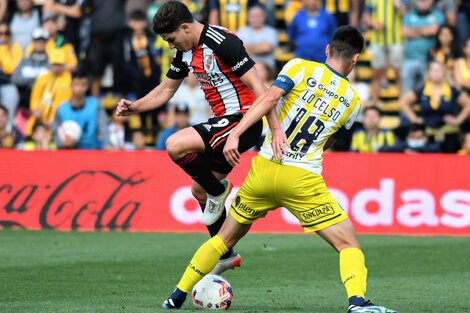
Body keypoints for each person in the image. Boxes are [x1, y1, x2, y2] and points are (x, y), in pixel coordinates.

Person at [161, 26, 397, 313]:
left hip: (264, 169)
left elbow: (268, 98)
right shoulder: (353, 101)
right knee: (348, 244)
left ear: (327, 49)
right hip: (301, 178)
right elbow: (328, 142)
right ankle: (358, 303)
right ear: (356, 59)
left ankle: (176, 297)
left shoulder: (299, 67)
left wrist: (236, 134)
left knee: (223, 239)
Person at [116, 1, 281, 275]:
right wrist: (135, 106)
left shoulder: (223, 41)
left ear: (184, 28)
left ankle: (219, 191)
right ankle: (226, 252)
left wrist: (275, 130)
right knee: (199, 191)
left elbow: (261, 90)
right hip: (223, 125)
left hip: (242, 120)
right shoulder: (185, 52)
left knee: (175, 144)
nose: (171, 45)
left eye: (171, 39)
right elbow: (165, 90)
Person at [399, 61, 470, 152]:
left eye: (438, 70)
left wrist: (458, 120)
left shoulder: (452, 90)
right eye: (432, 70)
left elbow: (468, 104)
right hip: (428, 134)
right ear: (429, 72)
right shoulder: (423, 89)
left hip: (449, 134)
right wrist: (414, 118)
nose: (435, 73)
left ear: (444, 72)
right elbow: (403, 102)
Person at [362, 0, 405, 106]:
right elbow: (366, 16)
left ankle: (402, 101)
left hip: (396, 40)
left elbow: (405, 14)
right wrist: (373, 24)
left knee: (398, 73)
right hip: (377, 40)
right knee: (376, 73)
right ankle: (374, 101)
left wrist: (398, 4)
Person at [52, 72, 108, 149]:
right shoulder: (62, 108)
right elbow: (55, 132)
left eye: (83, 85)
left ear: (87, 87)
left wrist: (107, 144)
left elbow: (103, 128)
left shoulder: (95, 105)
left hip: (91, 152)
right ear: (71, 86)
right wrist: (62, 143)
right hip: (68, 153)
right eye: (76, 84)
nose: (79, 88)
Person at [236, 5, 278, 70]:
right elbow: (238, 50)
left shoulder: (271, 31)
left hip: (267, 68)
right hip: (246, 69)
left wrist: (247, 48)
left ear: (264, 17)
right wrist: (260, 46)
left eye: (259, 16)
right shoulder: (240, 32)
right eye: (253, 16)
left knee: (259, 69)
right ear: (248, 18)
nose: (256, 19)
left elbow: (267, 48)